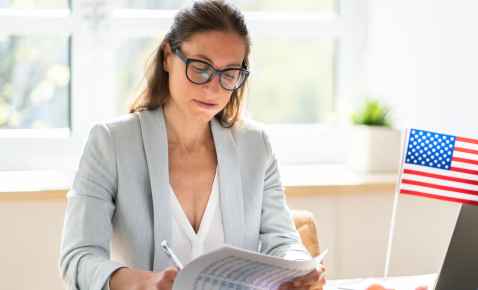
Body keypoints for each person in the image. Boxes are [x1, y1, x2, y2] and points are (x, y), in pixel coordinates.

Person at [58, 1, 324, 290]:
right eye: (200, 68)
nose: (213, 87)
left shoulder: (255, 146)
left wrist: (300, 268)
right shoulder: (111, 143)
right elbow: (78, 257)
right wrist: (145, 283)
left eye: (230, 73)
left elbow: (283, 240)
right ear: (168, 57)